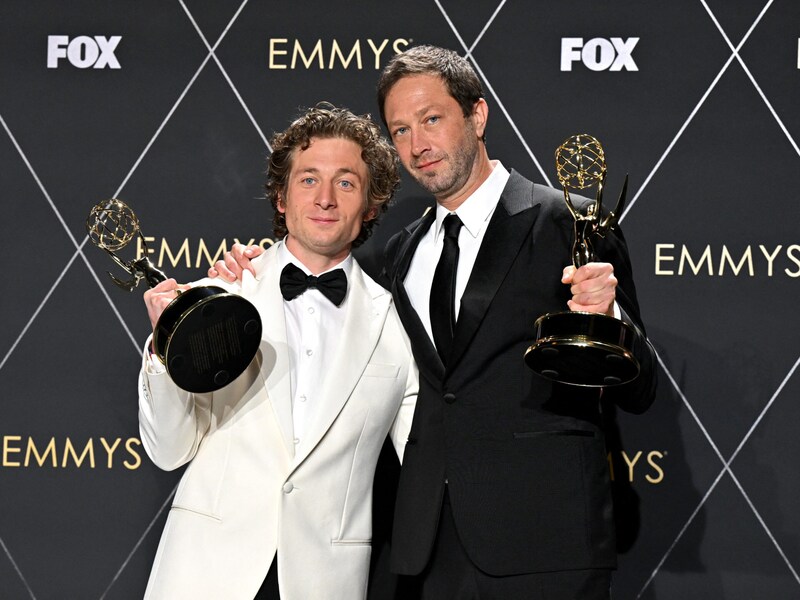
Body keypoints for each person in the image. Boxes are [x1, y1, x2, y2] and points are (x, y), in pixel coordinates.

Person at [211, 45, 657, 600]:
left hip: (545, 543)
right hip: (424, 554)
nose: (417, 145)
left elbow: (642, 390)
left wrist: (607, 317)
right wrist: (249, 273)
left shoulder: (569, 220)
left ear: (477, 115)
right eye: (400, 131)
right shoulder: (399, 252)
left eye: (431, 120)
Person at [137, 104, 418, 600]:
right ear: (281, 197)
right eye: (308, 180)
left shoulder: (396, 325)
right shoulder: (215, 298)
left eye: (346, 183)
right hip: (203, 575)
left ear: (372, 205)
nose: (326, 199)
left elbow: (427, 457)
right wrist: (165, 349)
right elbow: (167, 450)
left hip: (325, 583)